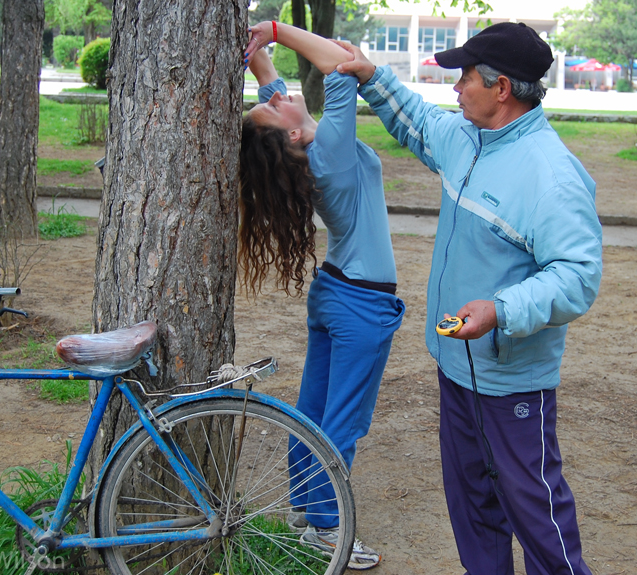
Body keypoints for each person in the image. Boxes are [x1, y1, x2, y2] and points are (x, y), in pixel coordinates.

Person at [335, 22, 602, 575]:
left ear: (501, 88)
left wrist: (501, 310)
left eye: (465, 78)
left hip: (511, 383)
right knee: (471, 507)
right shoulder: (467, 139)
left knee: (537, 513)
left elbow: (577, 276)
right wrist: (369, 75)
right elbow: (418, 122)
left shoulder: (550, 175)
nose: (455, 88)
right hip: (456, 367)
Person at [241, 20, 405, 570]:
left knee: (312, 410)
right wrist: (275, 30)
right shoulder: (329, 150)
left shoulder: (305, 143)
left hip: (336, 292)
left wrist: (259, 58)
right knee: (345, 419)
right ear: (290, 134)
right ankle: (327, 528)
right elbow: (340, 61)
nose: (282, 98)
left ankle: (305, 511)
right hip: (362, 304)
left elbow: (274, 91)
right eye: (277, 106)